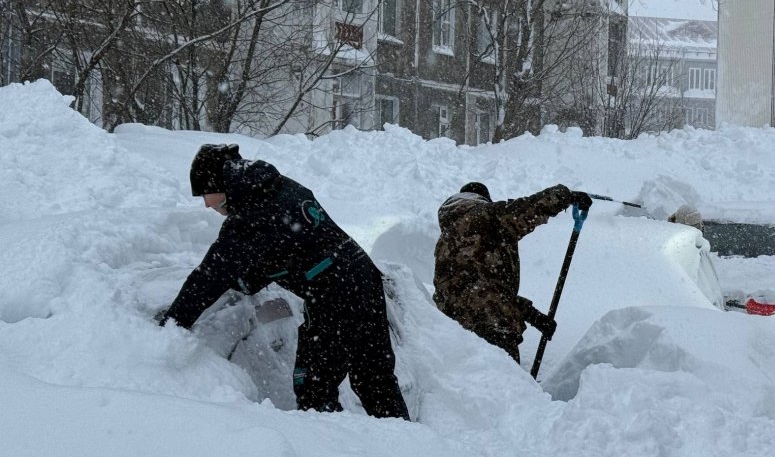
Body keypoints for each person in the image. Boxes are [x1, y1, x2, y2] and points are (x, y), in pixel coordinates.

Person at [157, 144, 411, 420]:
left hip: (334, 293)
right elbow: (286, 247)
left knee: (314, 388)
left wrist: (172, 323)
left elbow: (207, 278)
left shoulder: (248, 215)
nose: (206, 203)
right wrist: (250, 279)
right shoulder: (277, 187)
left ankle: (334, 454)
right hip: (363, 278)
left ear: (222, 184)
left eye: (205, 194)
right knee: (374, 379)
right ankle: (408, 450)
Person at [433, 181, 592, 364]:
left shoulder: (446, 243)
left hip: (455, 340)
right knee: (503, 387)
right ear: (483, 200)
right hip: (493, 327)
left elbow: (481, 290)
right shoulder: (484, 216)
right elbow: (526, 208)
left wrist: (533, 316)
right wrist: (565, 196)